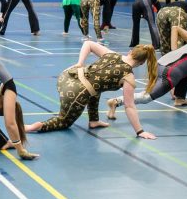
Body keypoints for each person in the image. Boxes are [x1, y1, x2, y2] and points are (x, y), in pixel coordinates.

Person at [25, 41, 157, 137]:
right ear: (141, 63)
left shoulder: (112, 54)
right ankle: (34, 126)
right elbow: (129, 106)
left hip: (67, 77)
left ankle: (94, 121)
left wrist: (80, 63)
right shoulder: (129, 76)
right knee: (63, 121)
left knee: (95, 89)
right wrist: (140, 131)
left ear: (130, 52)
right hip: (75, 93)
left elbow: (88, 43)